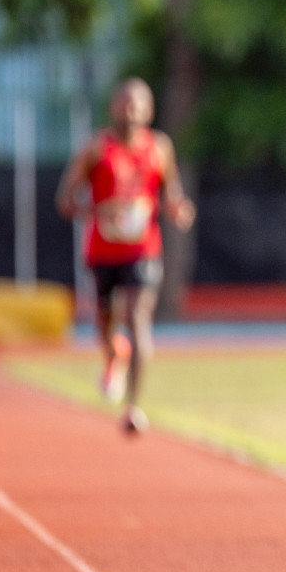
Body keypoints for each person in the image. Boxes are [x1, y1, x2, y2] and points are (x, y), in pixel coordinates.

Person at [56, 78, 195, 435]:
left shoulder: (160, 148)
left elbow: (171, 192)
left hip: (143, 249)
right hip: (103, 250)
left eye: (138, 104)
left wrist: (177, 209)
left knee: (137, 319)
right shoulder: (95, 150)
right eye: (124, 103)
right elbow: (65, 201)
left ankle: (133, 406)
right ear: (112, 107)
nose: (130, 111)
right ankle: (113, 352)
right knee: (105, 320)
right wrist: (98, 211)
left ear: (149, 110)